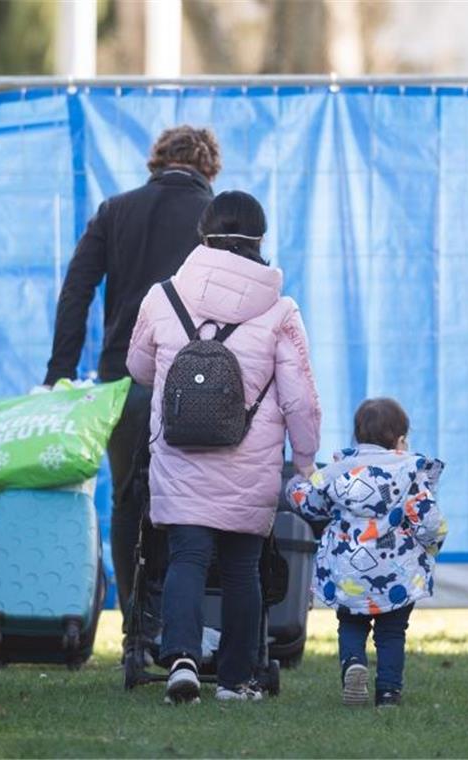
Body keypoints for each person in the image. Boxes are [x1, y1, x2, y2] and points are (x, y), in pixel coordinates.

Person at [126, 190, 322, 704]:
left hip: (180, 456)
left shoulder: (162, 297)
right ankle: (236, 680)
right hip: (250, 460)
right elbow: (300, 396)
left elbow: (139, 368)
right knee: (241, 568)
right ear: (260, 239)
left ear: (203, 235)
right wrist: (304, 461)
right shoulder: (281, 310)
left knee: (186, 556)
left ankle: (183, 658)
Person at [43, 127, 221, 638]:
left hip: (123, 380)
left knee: (127, 499)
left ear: (157, 162)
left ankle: (134, 632)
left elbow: (76, 291)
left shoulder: (115, 210)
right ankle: (186, 630)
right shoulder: (215, 218)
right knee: (192, 503)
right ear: (209, 169)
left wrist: (60, 372)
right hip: (200, 382)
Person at [287, 398, 447, 708]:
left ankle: (353, 664)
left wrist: (294, 482)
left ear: (357, 437)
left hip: (348, 571)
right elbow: (429, 521)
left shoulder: (335, 473)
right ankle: (388, 692)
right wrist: (432, 544)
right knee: (392, 632)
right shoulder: (411, 473)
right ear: (400, 439)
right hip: (397, 574)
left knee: (350, 623)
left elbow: (307, 502)